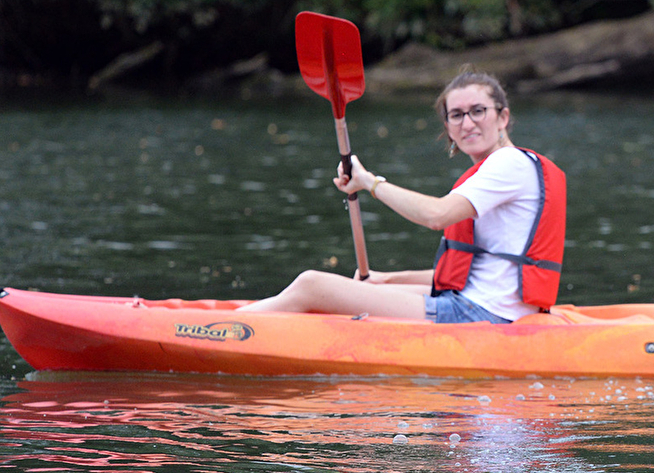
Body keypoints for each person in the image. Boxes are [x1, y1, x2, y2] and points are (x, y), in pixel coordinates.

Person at [238, 69, 566, 323]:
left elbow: (436, 215)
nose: (467, 123)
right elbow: (473, 271)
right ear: (449, 127)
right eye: (456, 115)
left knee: (312, 285)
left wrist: (370, 182)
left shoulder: (508, 164)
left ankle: (219, 329)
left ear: (503, 117)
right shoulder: (510, 167)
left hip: (482, 314)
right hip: (489, 305)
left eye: (478, 111)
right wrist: (387, 279)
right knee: (369, 287)